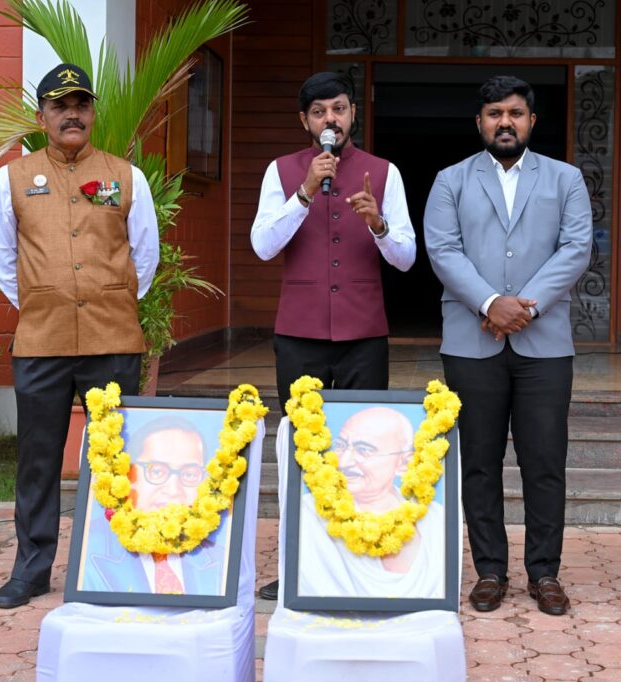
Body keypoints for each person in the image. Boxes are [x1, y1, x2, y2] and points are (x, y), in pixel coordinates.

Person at [0, 63, 159, 608]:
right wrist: (45, 301)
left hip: (113, 339)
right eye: (59, 106)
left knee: (115, 459)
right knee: (38, 460)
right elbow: (3, 257)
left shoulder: (125, 176)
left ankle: (115, 565)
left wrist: (108, 299)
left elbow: (145, 255)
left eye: (81, 105)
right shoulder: (11, 179)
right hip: (42, 341)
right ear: (41, 117)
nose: (72, 115)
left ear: (93, 114)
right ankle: (31, 570)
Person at [424, 75, 592, 616]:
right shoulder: (450, 180)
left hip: (545, 343)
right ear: (479, 122)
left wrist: (525, 307)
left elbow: (576, 248)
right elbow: (443, 250)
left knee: (545, 462)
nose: (505, 122)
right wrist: (490, 302)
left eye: (515, 113)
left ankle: (545, 572)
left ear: (531, 121)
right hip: (471, 342)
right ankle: (490, 570)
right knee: (478, 461)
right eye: (494, 113)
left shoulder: (565, 178)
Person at [250, 71, 415, 600]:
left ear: (352, 114)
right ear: (305, 121)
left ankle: (359, 563)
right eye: (320, 112)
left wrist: (378, 224)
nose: (331, 120)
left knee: (364, 451)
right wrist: (302, 194)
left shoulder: (384, 172)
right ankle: (301, 565)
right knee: (305, 451)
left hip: (364, 333)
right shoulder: (282, 172)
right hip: (298, 333)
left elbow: (407, 258)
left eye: (339, 109)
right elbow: (262, 246)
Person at [297, 407, 444, 599]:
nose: (344, 461)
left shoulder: (434, 519)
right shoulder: (309, 511)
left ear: (403, 463)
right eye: (340, 446)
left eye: (364, 450)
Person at [80, 417, 226, 595]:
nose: (173, 490)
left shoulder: (221, 559)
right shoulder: (88, 553)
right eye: (156, 471)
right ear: (128, 474)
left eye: (189, 474)